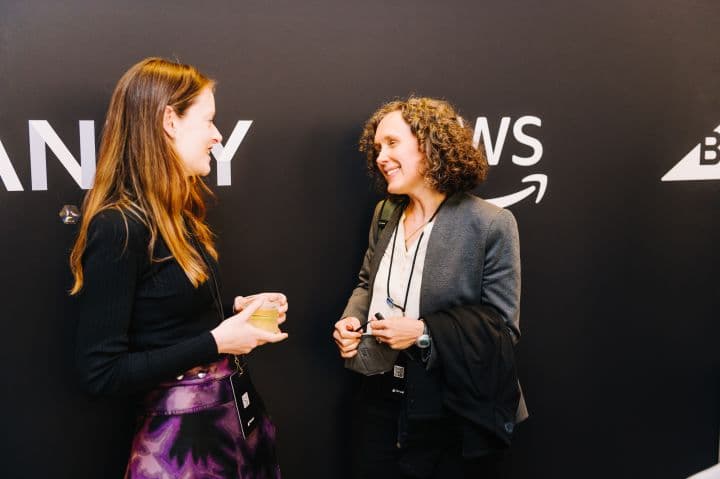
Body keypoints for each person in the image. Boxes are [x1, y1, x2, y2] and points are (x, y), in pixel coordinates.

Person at [69, 57, 288, 479]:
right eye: (208, 121)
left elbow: (172, 322)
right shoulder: (119, 224)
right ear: (170, 120)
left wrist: (239, 316)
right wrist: (217, 340)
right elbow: (101, 373)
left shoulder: (179, 213)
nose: (217, 135)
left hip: (232, 427)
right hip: (186, 450)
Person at [333, 97, 526, 478]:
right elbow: (366, 283)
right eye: (376, 149)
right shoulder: (385, 213)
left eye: (391, 143)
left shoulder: (491, 223)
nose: (380, 157)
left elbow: (503, 329)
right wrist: (350, 322)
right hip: (378, 398)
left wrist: (423, 333)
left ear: (429, 143)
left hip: (451, 407)